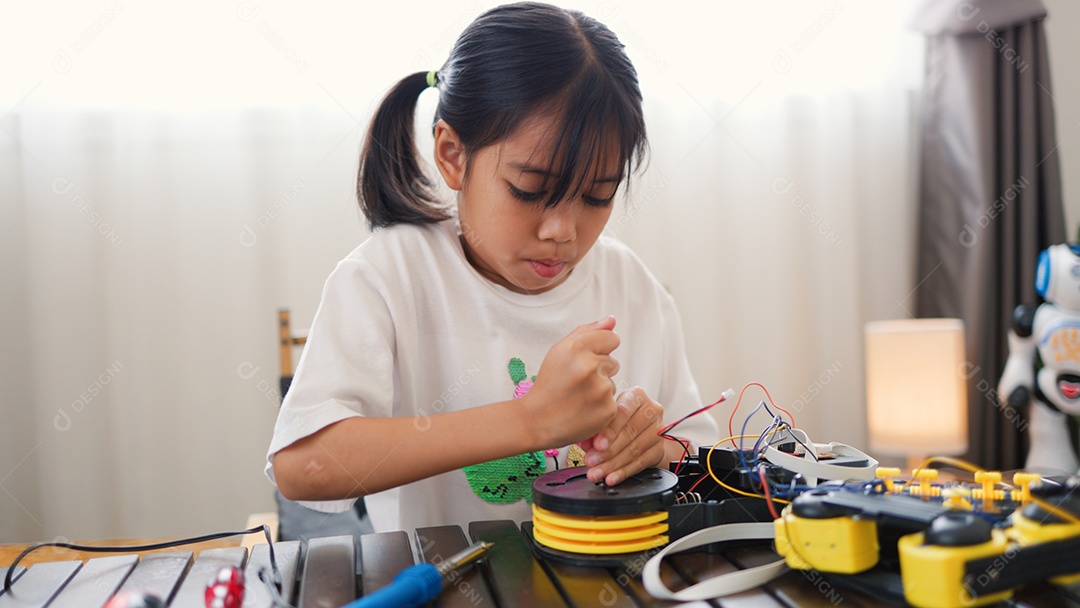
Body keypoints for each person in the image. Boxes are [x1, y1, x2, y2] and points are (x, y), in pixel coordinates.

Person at [267, 1, 718, 534]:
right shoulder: (390, 276)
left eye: (598, 196)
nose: (563, 231)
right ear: (453, 155)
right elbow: (300, 467)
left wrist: (653, 446)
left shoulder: (631, 284)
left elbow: (704, 456)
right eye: (531, 190)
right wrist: (529, 421)